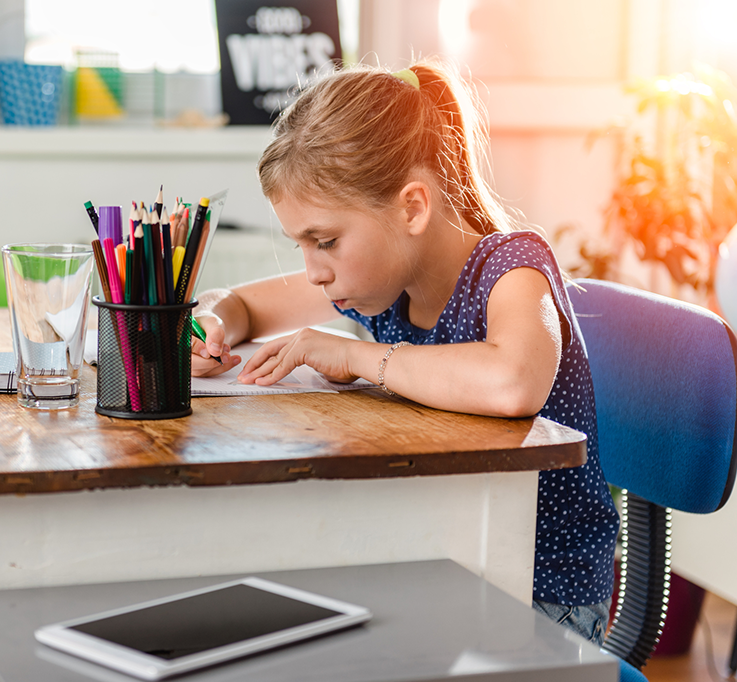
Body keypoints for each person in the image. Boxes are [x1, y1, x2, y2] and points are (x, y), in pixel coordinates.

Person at [190, 59, 620, 645]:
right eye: (302, 245)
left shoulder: (513, 267)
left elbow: (513, 382)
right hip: (448, 564)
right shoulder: (380, 284)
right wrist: (212, 322)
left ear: (412, 207)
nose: (313, 271)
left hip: (539, 593)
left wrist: (361, 358)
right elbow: (238, 302)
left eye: (326, 242)